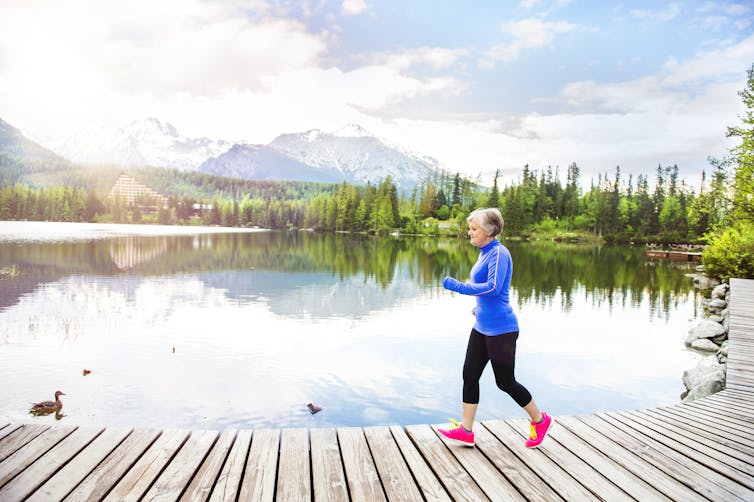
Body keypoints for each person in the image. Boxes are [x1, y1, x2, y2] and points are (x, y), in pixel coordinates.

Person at [438, 207, 553, 448]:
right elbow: (488, 293)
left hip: (502, 330)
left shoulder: (499, 253)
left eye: (474, 228)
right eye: (470, 228)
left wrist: (459, 287)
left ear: (489, 231)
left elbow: (493, 287)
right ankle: (466, 430)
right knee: (469, 375)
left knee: (506, 382)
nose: (469, 232)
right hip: (482, 326)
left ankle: (540, 420)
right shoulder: (485, 251)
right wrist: (479, 308)